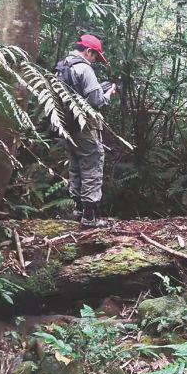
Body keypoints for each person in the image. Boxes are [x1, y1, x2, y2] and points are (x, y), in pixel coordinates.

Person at [55, 34, 117, 228]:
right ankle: (90, 217)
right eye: (95, 56)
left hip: (66, 125)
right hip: (83, 126)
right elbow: (96, 101)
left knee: (75, 164)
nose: (96, 61)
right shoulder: (84, 68)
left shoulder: (62, 65)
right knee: (92, 163)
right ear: (88, 51)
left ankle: (78, 211)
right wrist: (107, 93)